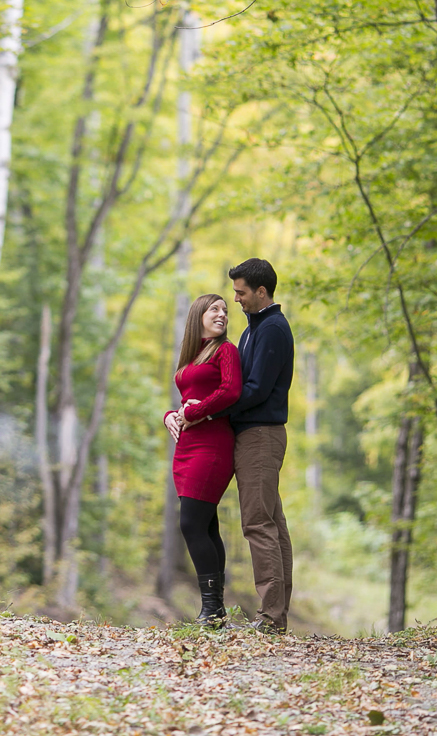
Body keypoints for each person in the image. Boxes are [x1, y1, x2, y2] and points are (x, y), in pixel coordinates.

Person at [162, 293, 241, 627]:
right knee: (206, 525)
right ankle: (216, 611)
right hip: (187, 445)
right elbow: (184, 399)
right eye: (214, 309)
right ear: (198, 315)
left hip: (212, 443)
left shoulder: (226, 351)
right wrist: (170, 415)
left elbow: (230, 391)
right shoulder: (194, 353)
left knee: (191, 523)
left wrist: (195, 411)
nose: (222, 314)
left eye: (225, 310)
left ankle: (212, 608)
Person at [228, 257, 294, 633]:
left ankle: (271, 618)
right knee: (272, 522)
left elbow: (255, 390)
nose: (236, 299)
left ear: (261, 291)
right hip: (257, 434)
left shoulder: (271, 329)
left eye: (241, 292)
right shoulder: (253, 328)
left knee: (257, 523)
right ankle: (277, 613)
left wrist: (214, 409)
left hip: (260, 435)